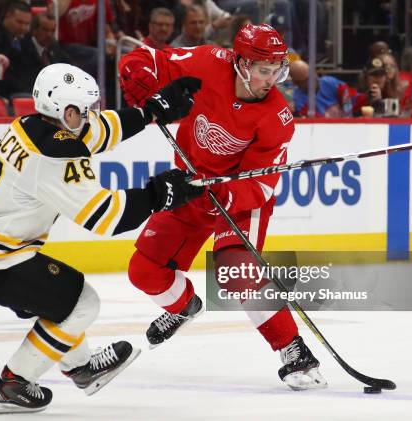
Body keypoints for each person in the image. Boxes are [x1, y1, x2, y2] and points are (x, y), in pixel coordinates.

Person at [0, 63, 204, 413]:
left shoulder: (31, 126)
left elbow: (100, 130)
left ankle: (81, 367)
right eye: (84, 110)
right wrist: (159, 194)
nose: (91, 115)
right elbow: (105, 216)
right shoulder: (56, 156)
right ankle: (12, 384)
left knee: (60, 301)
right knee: (82, 302)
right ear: (66, 111)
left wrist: (151, 111)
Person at [118, 24, 327, 390]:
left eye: (278, 70)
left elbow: (261, 184)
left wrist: (226, 194)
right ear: (240, 63)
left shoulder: (277, 117)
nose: (272, 80)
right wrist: (138, 73)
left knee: (236, 271)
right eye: (265, 70)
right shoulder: (206, 62)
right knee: (144, 270)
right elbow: (150, 58)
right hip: (190, 187)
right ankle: (183, 307)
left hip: (240, 199)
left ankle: (294, 350)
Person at [289, 59, 357, 118]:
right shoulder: (299, 99)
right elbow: (314, 120)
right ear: (297, 83)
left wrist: (348, 118)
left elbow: (349, 98)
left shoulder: (330, 82)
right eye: (306, 80)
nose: (312, 79)